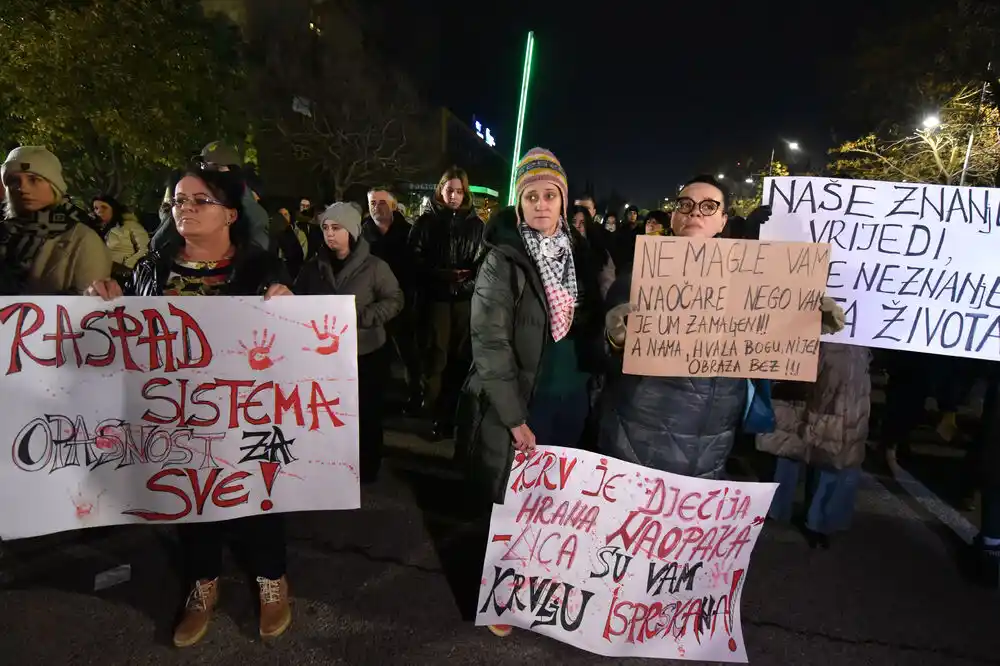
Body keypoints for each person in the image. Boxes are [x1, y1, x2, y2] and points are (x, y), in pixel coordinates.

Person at [85, 167, 293, 647]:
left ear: (230, 213)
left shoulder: (261, 267)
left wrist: (288, 302)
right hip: (176, 413)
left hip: (245, 411)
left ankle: (272, 577)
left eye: (200, 200)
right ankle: (203, 582)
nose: (186, 209)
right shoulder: (150, 269)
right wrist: (102, 302)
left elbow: (290, 340)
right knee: (190, 496)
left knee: (257, 495)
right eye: (179, 200)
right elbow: (130, 336)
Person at [600, 175, 845, 480]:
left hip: (714, 439)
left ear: (722, 220)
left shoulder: (754, 278)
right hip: (642, 433)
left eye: (708, 206)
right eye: (685, 205)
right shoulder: (639, 272)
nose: (695, 213)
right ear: (674, 216)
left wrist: (806, 324)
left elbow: (767, 346)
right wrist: (615, 338)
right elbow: (604, 354)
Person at [456, 148, 604, 638]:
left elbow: (599, 322)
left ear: (564, 201)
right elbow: (489, 340)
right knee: (512, 501)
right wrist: (513, 415)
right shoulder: (503, 258)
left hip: (572, 396)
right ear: (519, 204)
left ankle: (543, 578)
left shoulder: (584, 254)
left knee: (558, 502)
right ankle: (503, 590)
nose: (542, 204)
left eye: (550, 195)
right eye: (531, 196)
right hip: (524, 400)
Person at [295, 202, 404, 483]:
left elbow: (395, 300)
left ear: (353, 231)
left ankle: (366, 468)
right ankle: (329, 462)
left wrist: (363, 316)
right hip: (325, 354)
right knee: (328, 411)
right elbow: (297, 300)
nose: (330, 234)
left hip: (365, 351)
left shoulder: (375, 267)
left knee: (366, 413)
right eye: (326, 228)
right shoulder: (313, 268)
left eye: (337, 228)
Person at [756, 341, 870, 548]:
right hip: (810, 344)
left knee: (833, 444)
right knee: (791, 437)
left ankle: (818, 521)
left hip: (844, 355)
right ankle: (781, 508)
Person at [409, 167, 485, 439]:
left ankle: (452, 415)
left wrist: (464, 285)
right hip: (436, 301)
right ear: (440, 189)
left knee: (460, 358)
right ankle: (434, 414)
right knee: (436, 356)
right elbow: (414, 263)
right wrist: (441, 278)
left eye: (459, 190)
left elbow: (483, 267)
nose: (453, 195)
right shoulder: (425, 223)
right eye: (449, 189)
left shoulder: (476, 226)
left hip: (464, 302)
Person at [0, 146, 111, 295]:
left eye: (34, 179)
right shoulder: (5, 233)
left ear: (54, 186)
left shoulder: (82, 239)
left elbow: (90, 310)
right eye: (14, 181)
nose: (22, 188)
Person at [150, 142, 271, 254]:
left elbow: (254, 261)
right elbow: (158, 244)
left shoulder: (252, 212)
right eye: (202, 166)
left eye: (214, 168)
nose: (205, 173)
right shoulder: (188, 201)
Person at [363, 186, 420, 413]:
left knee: (408, 353)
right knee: (376, 354)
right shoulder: (362, 234)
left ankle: (416, 396)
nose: (377, 207)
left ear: (394, 206)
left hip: (403, 302)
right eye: (373, 202)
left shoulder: (409, 233)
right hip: (372, 304)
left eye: (382, 202)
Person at [92, 194, 149, 282]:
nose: (99, 211)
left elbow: (145, 249)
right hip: (101, 275)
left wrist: (128, 265)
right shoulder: (95, 230)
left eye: (104, 207)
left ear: (113, 208)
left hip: (125, 275)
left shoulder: (131, 225)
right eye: (96, 208)